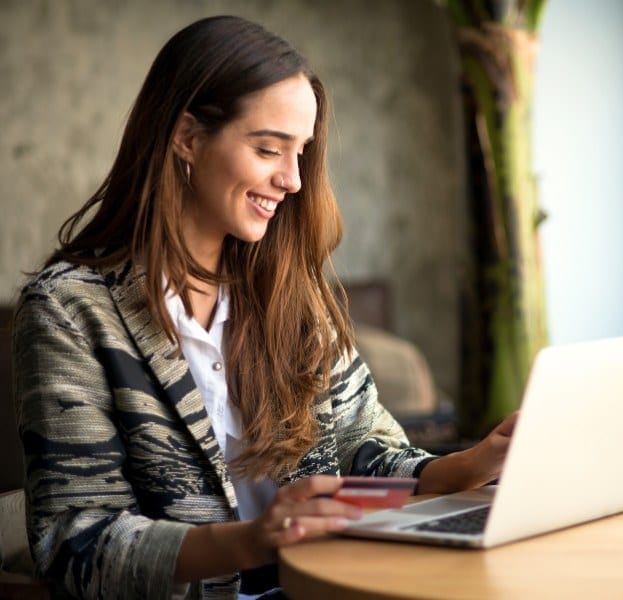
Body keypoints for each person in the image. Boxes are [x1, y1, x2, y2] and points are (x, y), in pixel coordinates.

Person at [13, 15, 516, 599]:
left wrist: (466, 466)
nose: (294, 180)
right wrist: (255, 539)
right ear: (187, 138)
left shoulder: (289, 289)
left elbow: (358, 445)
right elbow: (78, 543)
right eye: (269, 149)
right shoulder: (70, 312)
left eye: (300, 152)